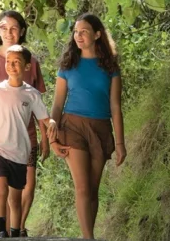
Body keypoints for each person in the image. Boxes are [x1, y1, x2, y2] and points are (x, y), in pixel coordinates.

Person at [0, 10, 48, 237]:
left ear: (22, 31)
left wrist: (45, 137)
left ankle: (19, 229)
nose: (9, 33)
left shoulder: (31, 62)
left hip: (26, 136)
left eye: (14, 28)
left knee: (26, 187)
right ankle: (6, 232)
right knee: (2, 187)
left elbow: (37, 102)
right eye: (4, 28)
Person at [48, 13, 127, 240]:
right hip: (72, 126)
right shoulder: (68, 66)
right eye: (75, 32)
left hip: (101, 129)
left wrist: (120, 143)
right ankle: (88, 238)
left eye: (83, 31)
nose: (78, 36)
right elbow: (57, 105)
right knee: (82, 188)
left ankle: (87, 235)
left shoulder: (110, 67)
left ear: (97, 34)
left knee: (93, 190)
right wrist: (53, 138)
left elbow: (115, 107)